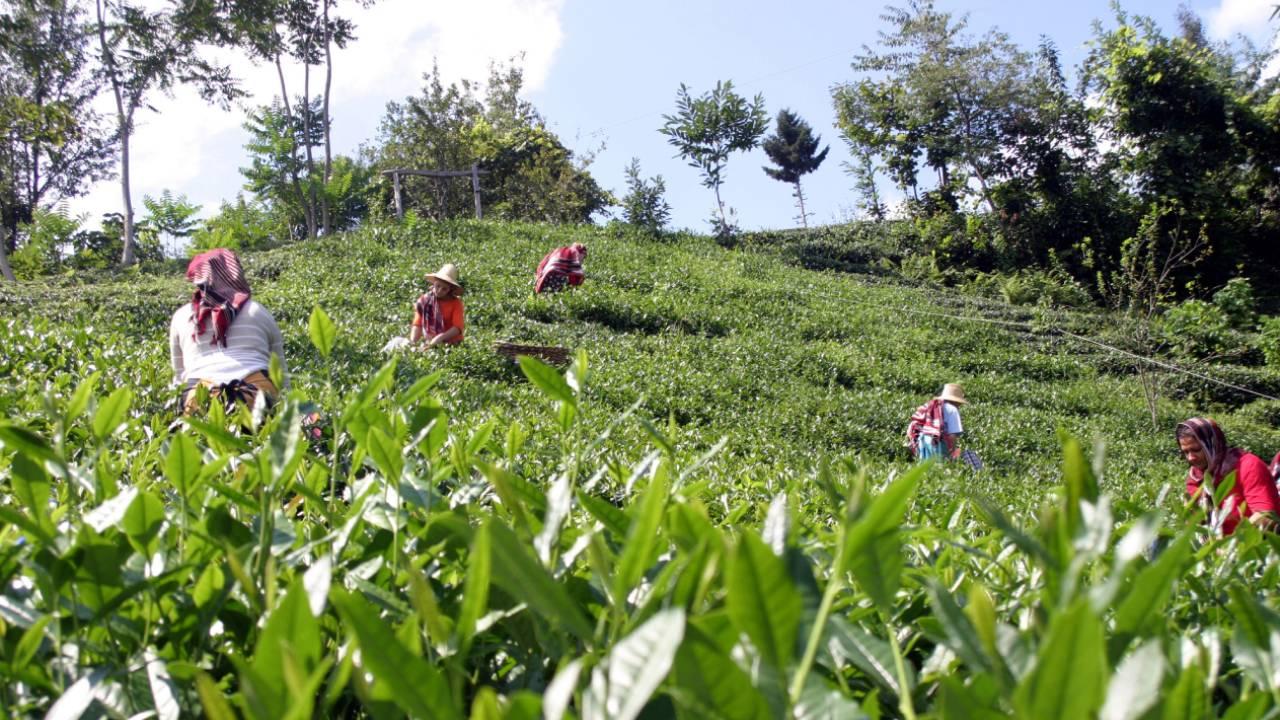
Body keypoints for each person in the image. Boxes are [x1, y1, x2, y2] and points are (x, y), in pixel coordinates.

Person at [170, 248, 286, 414]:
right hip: (257, 394)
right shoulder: (259, 311)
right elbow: (280, 373)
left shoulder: (182, 316)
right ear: (236, 275)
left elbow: (179, 377)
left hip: (200, 396)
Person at [1178, 417, 1280, 535]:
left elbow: (1265, 516)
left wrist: (1232, 542)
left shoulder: (1248, 466)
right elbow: (1196, 522)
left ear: (1212, 444)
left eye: (1196, 450)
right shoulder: (1196, 477)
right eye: (1186, 452)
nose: (1190, 457)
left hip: (1252, 542)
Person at [905, 383, 966, 462]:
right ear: (957, 401)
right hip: (938, 444)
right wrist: (951, 453)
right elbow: (952, 436)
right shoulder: (953, 410)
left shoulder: (930, 405)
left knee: (926, 467)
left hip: (922, 443)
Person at [410, 263, 465, 347]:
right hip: (430, 342)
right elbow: (418, 324)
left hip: (452, 344)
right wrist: (412, 343)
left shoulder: (456, 303)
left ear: (450, 290)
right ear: (434, 283)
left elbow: (457, 328)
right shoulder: (424, 300)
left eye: (444, 289)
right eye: (438, 286)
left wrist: (441, 337)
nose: (439, 291)